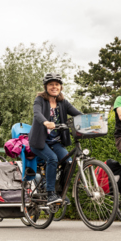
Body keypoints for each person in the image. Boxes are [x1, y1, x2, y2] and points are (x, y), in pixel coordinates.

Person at [29, 73, 82, 204]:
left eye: (57, 84)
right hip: (39, 142)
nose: (54, 87)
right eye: (51, 84)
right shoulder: (40, 100)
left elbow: (78, 114)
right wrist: (45, 122)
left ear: (60, 87)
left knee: (69, 162)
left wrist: (91, 120)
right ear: (46, 86)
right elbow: (37, 113)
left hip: (55, 141)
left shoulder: (63, 102)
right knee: (52, 158)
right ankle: (50, 193)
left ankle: (60, 192)